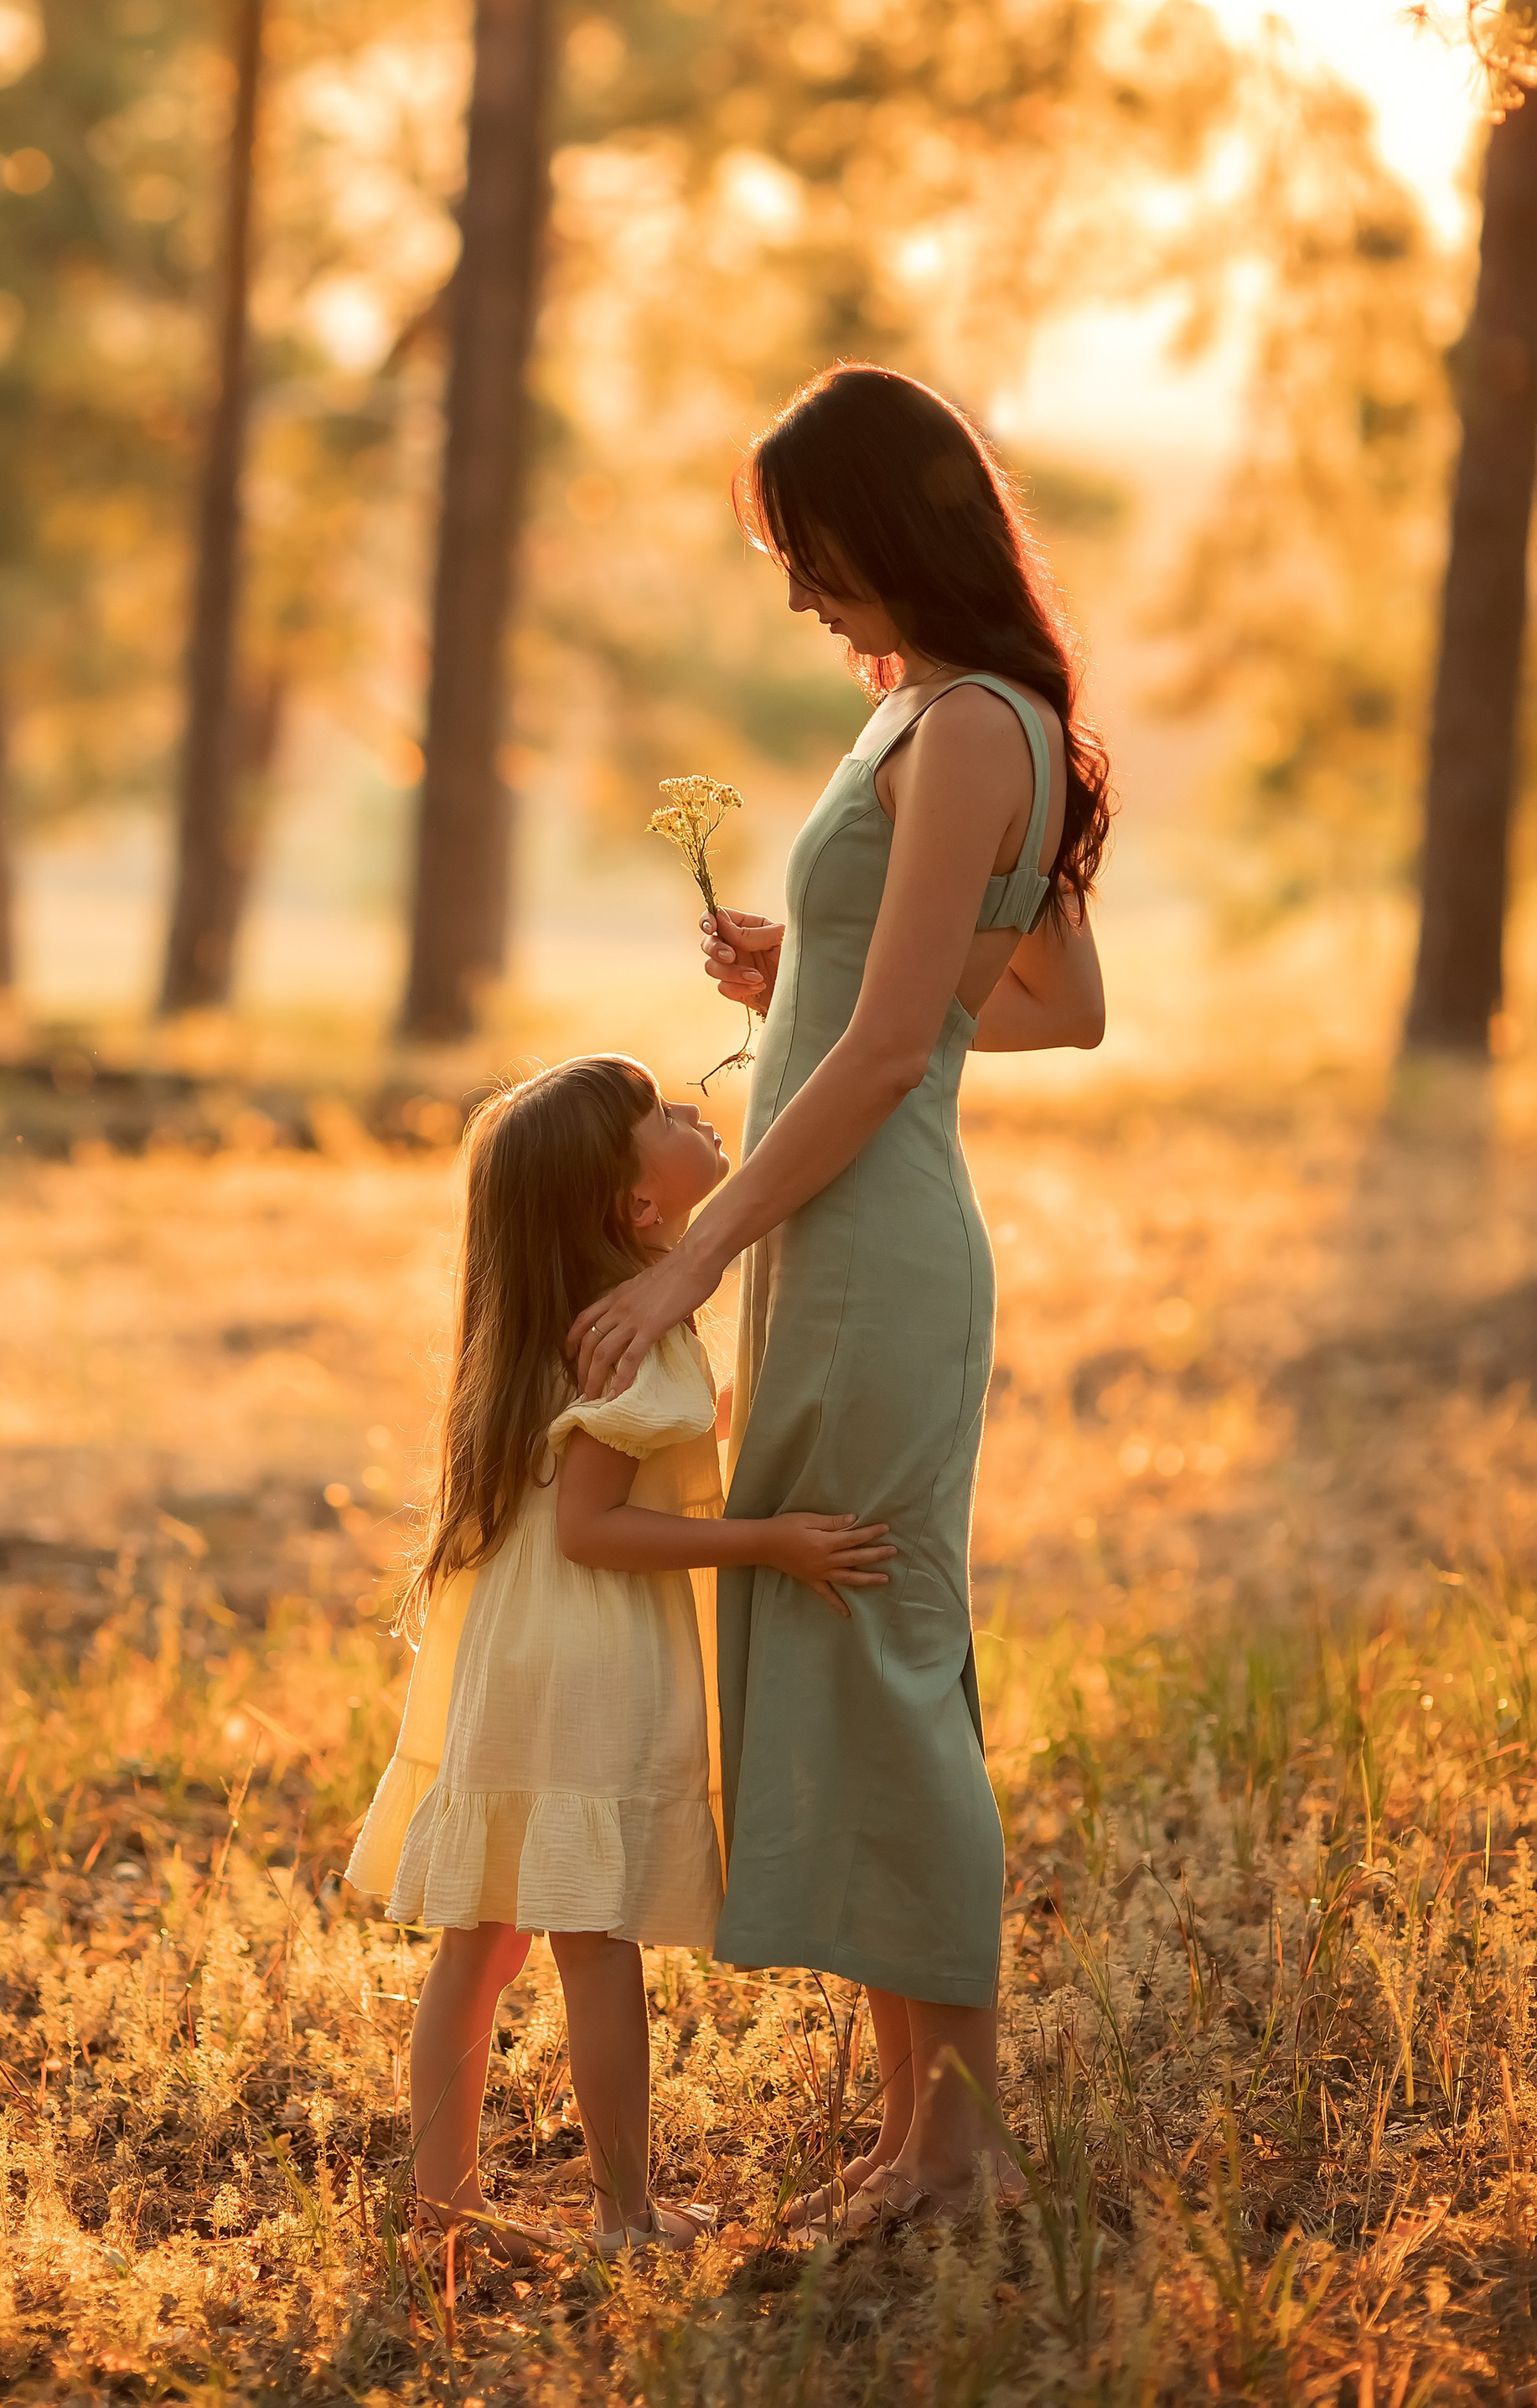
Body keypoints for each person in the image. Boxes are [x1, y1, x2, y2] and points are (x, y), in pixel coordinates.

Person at [571, 364, 1109, 2234]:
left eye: (811, 556)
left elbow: (896, 1055)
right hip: (839, 1234)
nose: (798, 593)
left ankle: (959, 2142)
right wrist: (806, 970)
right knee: (854, 1659)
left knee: (888, 1660)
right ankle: (906, 2129)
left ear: (892, 528)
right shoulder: (963, 718)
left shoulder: (967, 726)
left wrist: (697, 1254)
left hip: (867, 1246)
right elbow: (1046, 1000)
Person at [347, 1053, 894, 2258]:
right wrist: (768, 1544)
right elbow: (595, 1525)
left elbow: (637, 1461)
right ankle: (627, 2214)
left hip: (519, 1653)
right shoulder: (632, 1338)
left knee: (484, 1942)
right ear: (638, 1207)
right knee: (595, 1948)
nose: (691, 1108)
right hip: (583, 1664)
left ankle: (443, 2197)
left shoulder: (600, 1313)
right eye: (659, 1112)